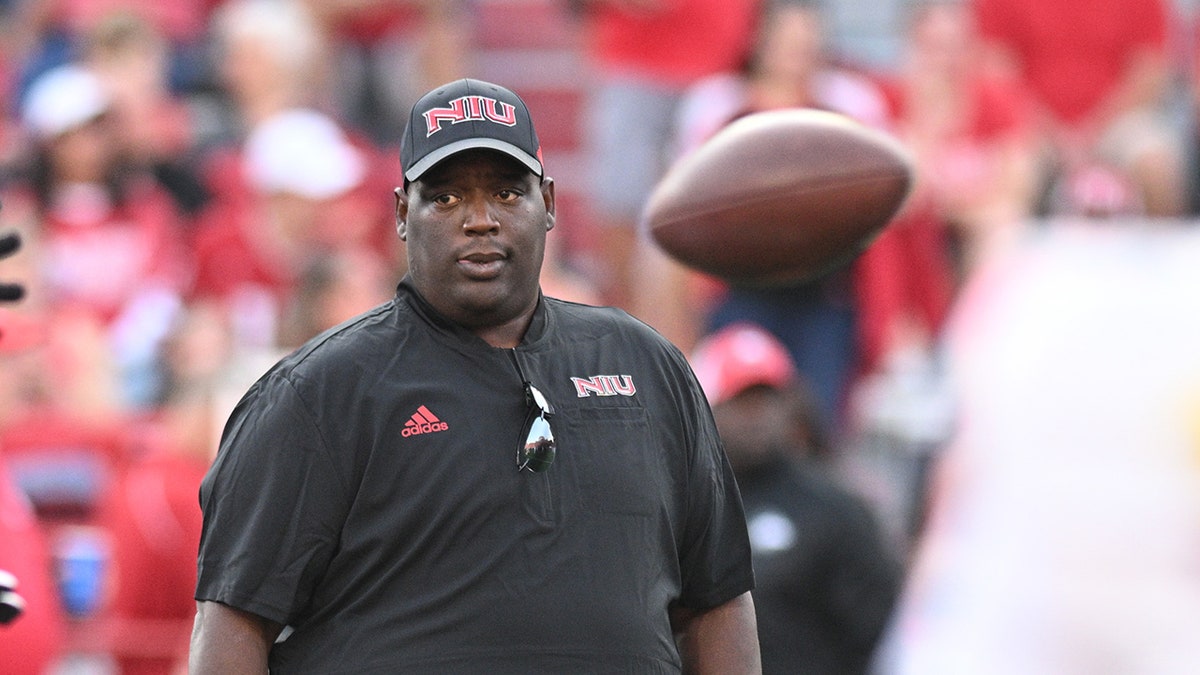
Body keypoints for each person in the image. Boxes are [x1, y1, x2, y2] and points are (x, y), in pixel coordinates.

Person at [189, 78, 760, 672]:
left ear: (552, 205)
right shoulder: (317, 393)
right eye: (447, 198)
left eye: (508, 194)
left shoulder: (646, 367)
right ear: (402, 213)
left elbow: (715, 598)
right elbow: (235, 618)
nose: (481, 220)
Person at [691, 323, 902, 674]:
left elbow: (879, 630)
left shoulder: (835, 509)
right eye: (742, 401)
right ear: (706, 406)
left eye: (767, 399)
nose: (757, 416)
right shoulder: (686, 505)